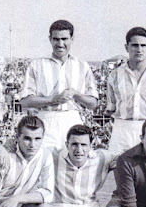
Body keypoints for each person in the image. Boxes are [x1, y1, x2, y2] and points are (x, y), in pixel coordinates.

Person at [19, 20, 99, 149]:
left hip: (72, 119)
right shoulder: (37, 65)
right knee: (46, 163)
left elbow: (93, 103)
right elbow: (25, 101)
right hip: (46, 119)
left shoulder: (82, 66)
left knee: (71, 165)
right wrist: (53, 99)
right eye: (56, 39)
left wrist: (76, 94)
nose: (60, 44)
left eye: (64, 39)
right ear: (50, 39)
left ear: (72, 39)